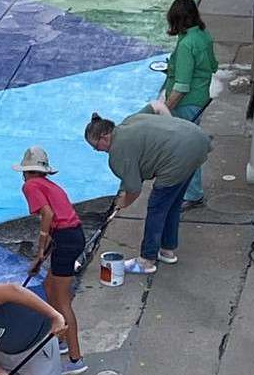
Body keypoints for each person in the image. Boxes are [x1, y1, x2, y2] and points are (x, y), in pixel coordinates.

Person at [84, 109, 211, 275]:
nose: (97, 151)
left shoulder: (117, 152)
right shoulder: (129, 120)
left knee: (156, 208)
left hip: (178, 158)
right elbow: (156, 105)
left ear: (105, 137)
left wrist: (124, 202)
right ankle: (167, 250)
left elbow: (134, 189)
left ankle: (147, 260)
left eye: (95, 146)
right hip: (197, 141)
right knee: (172, 204)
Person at [12, 145, 87, 375]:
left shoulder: (30, 185)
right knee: (48, 286)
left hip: (65, 239)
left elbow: (48, 215)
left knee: (62, 300)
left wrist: (39, 251)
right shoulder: (50, 185)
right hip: (72, 235)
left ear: (26, 171)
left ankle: (76, 358)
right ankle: (61, 338)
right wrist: (43, 255)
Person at [159, 0, 217, 210]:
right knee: (191, 143)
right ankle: (192, 191)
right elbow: (212, 66)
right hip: (200, 97)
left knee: (185, 150)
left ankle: (192, 193)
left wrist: (164, 108)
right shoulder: (203, 36)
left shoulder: (185, 45)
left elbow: (181, 87)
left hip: (186, 103)